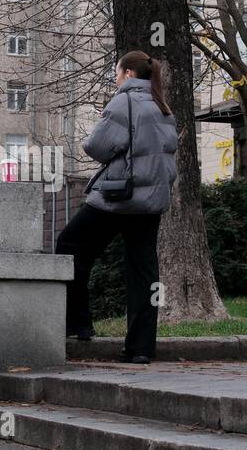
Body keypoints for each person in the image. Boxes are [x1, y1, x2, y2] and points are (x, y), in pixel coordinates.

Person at [55, 50, 178, 363]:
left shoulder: (123, 101)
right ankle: (141, 349)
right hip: (150, 203)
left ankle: (78, 322)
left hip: (117, 198)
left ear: (129, 75)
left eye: (117, 72)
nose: (115, 77)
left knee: (70, 245)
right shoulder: (163, 106)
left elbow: (97, 147)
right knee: (143, 273)